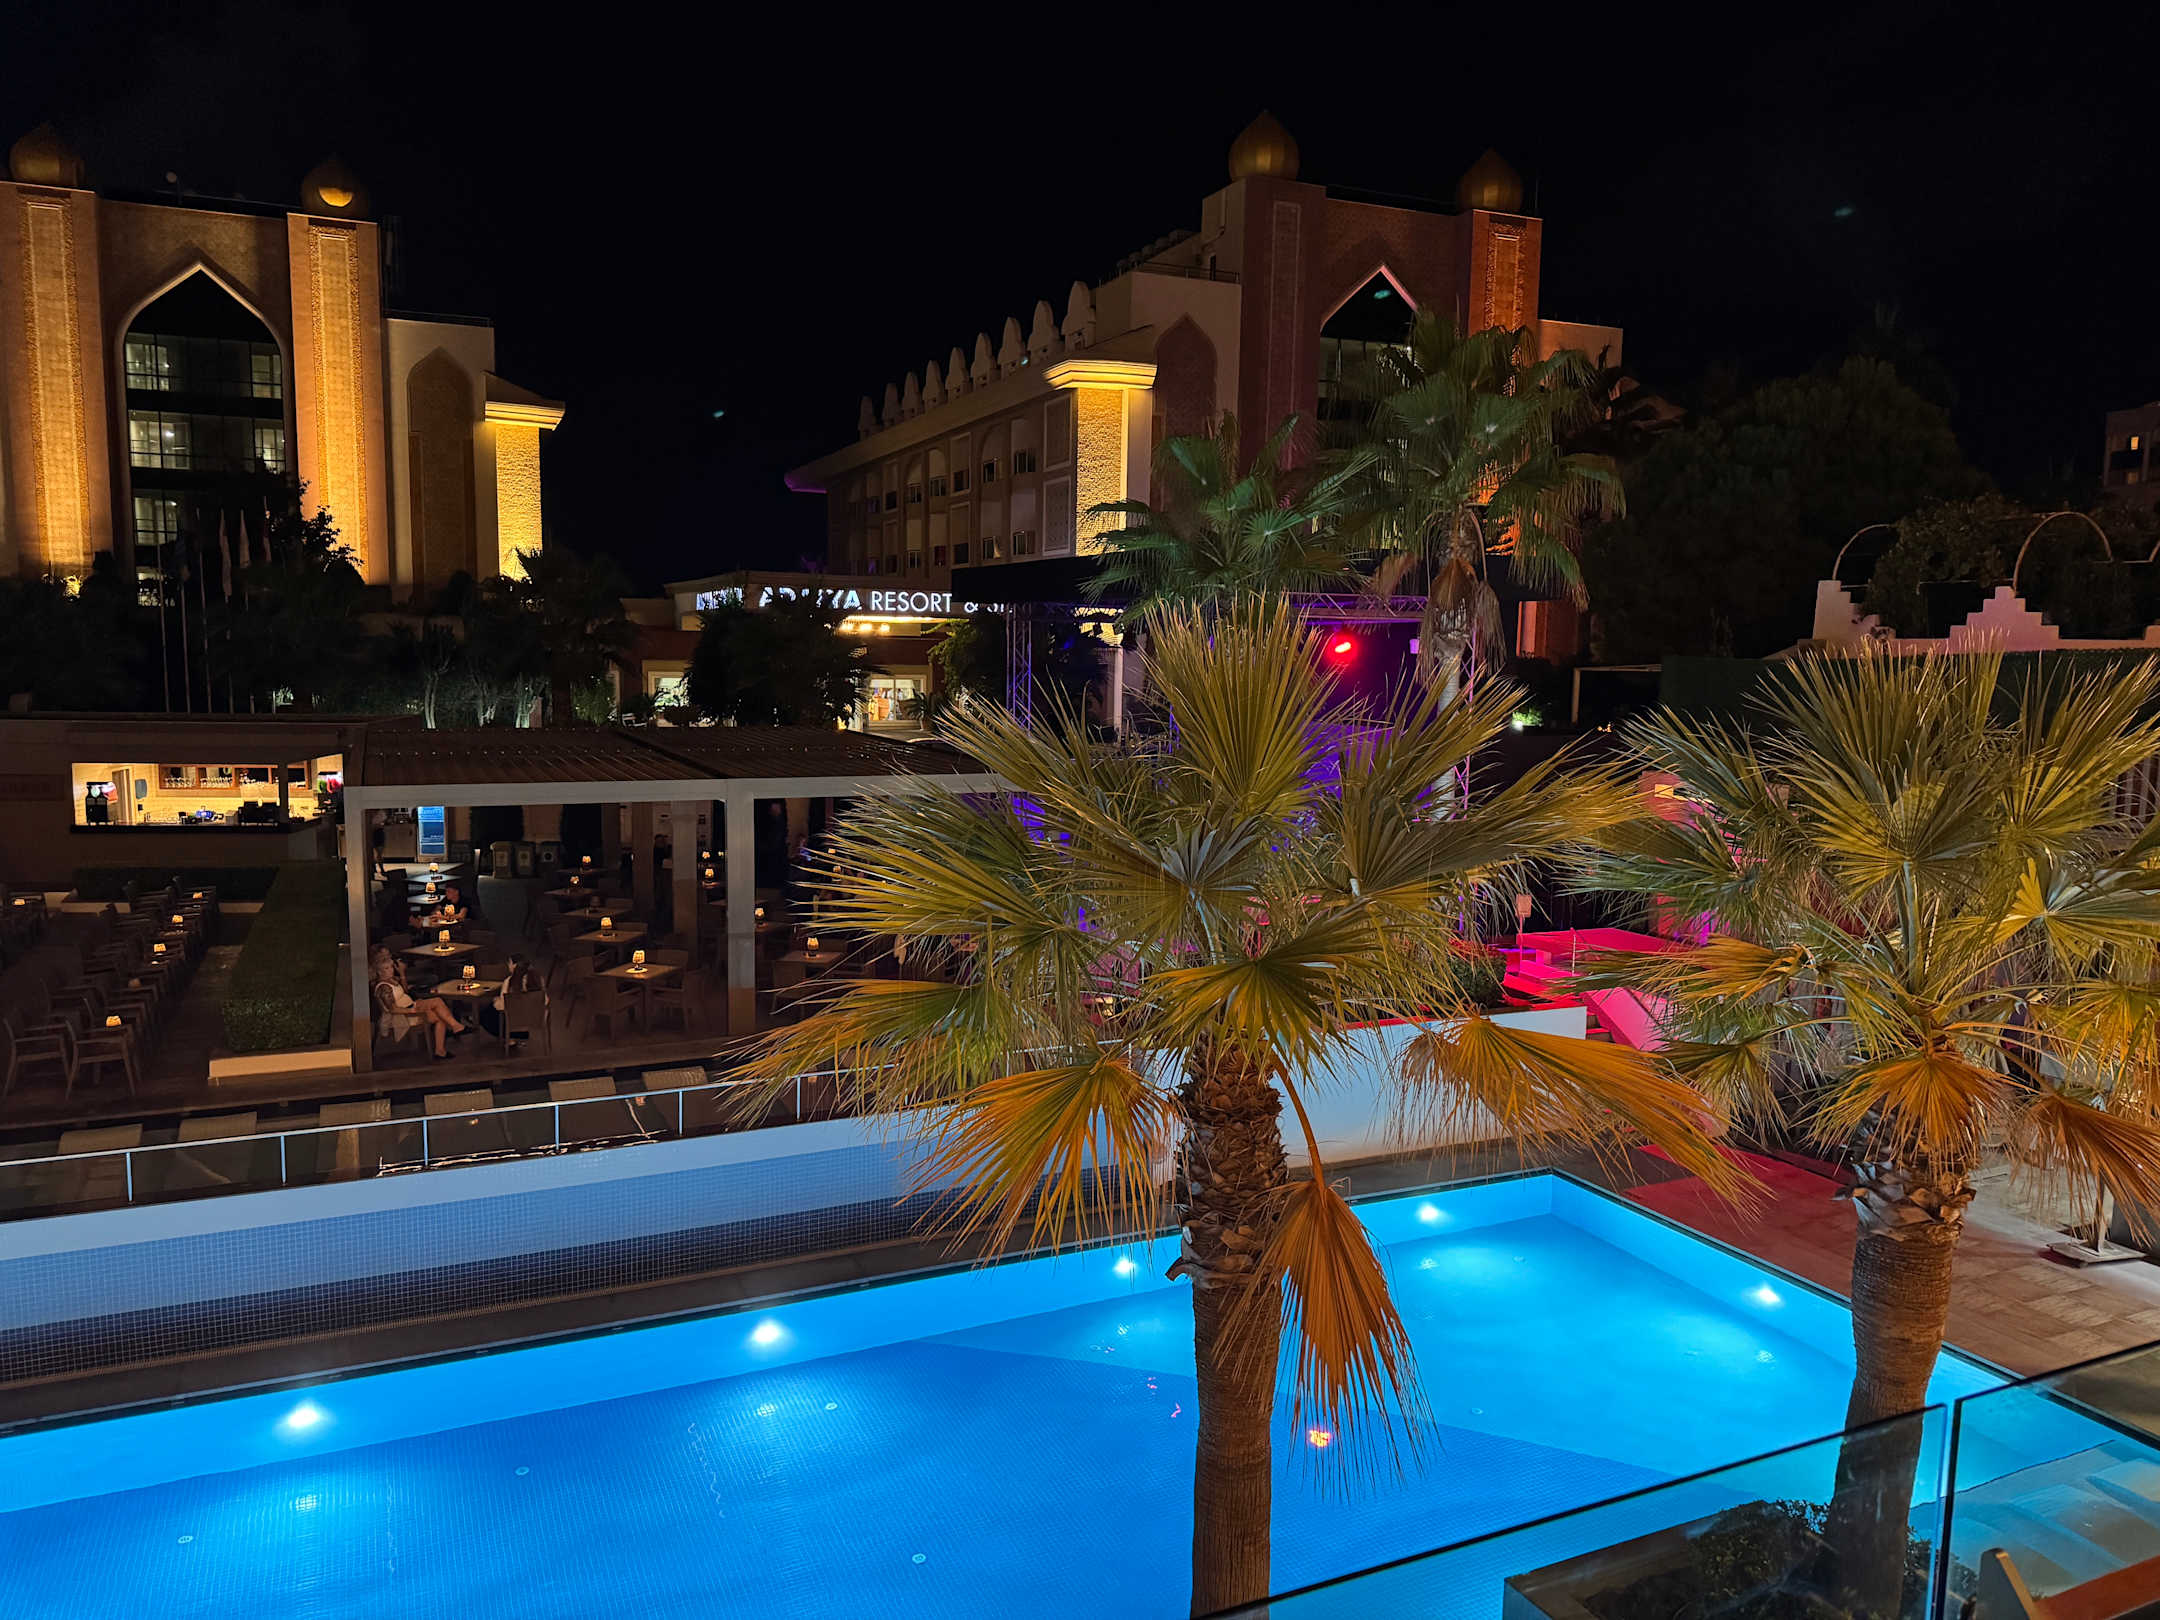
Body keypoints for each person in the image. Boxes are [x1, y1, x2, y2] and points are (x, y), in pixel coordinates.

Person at [369, 944, 468, 1059]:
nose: (391, 970)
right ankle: (456, 1027)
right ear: (379, 971)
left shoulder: (392, 980)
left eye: (391, 967)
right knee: (437, 1002)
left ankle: (440, 1050)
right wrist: (411, 1010)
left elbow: (405, 992)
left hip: (411, 1006)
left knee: (440, 1016)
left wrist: (402, 973)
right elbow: (392, 1009)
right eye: (387, 968)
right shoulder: (383, 987)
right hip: (403, 1015)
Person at [478, 953, 545, 1048]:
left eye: (509, 963)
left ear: (514, 965)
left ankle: (509, 1037)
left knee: (487, 1012)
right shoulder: (537, 979)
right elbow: (545, 1000)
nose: (508, 965)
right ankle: (514, 1038)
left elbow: (503, 1006)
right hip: (533, 1020)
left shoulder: (510, 982)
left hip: (512, 1024)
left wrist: (496, 1001)